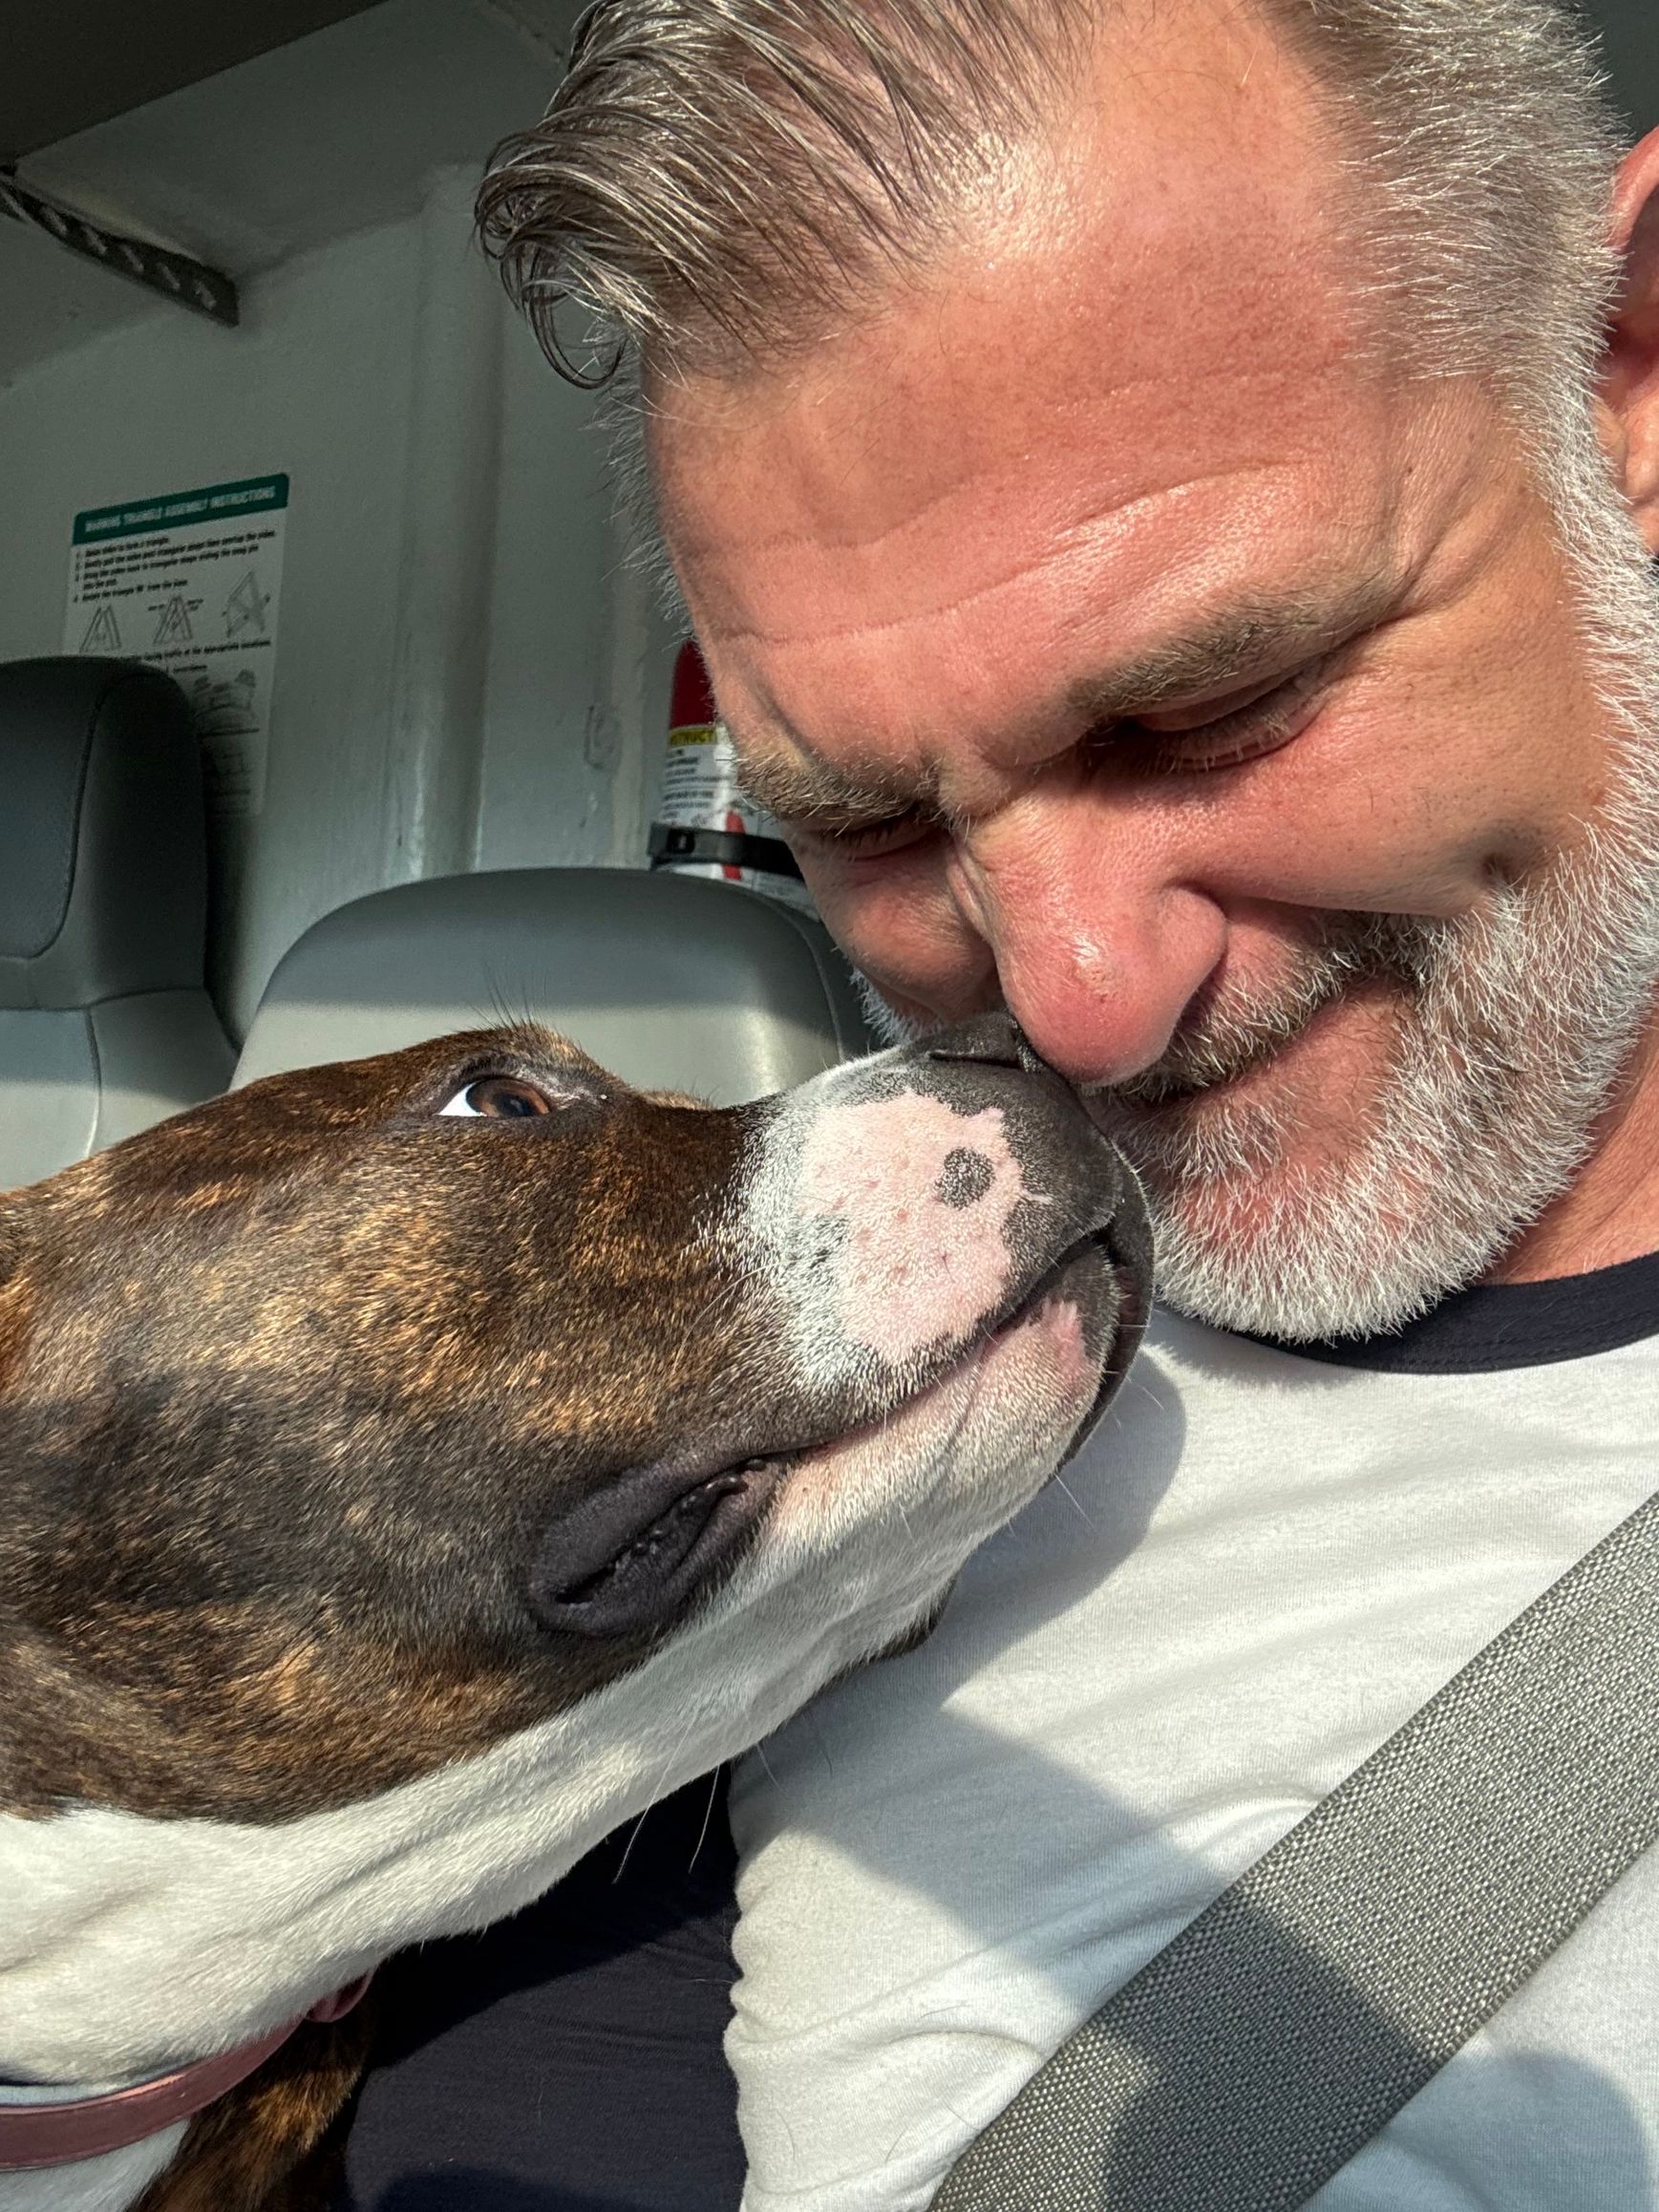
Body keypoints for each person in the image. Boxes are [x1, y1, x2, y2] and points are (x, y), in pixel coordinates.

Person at [341, 0, 1659, 2204]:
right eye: (858, 823)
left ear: (1624, 375)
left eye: (1204, 705)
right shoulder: (794, 1386)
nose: (1067, 1013)